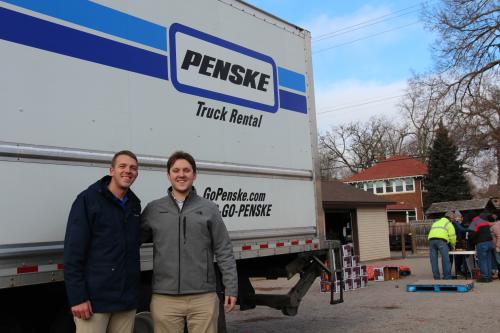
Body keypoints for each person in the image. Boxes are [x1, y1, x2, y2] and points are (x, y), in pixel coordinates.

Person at [141, 151, 237, 333]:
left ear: (194, 174)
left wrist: (231, 288)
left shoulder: (209, 209)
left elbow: (224, 249)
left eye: (186, 170)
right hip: (165, 298)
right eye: (176, 170)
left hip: (203, 298)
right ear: (168, 175)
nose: (181, 174)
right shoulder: (154, 209)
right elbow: (129, 243)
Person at [64, 151, 141, 332]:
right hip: (94, 302)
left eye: (133, 168)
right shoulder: (88, 200)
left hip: (126, 301)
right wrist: (78, 297)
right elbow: (73, 253)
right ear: (111, 170)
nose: (128, 171)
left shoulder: (134, 205)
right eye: (122, 166)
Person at [428, 211, 456, 280]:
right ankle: (447, 277)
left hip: (431, 241)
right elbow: (452, 236)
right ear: (450, 218)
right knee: (445, 259)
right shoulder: (448, 223)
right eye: (453, 218)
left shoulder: (436, 222)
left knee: (433, 260)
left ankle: (436, 277)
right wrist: (453, 245)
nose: (453, 220)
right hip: (441, 241)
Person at [468, 213, 494, 282]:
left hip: (482, 243)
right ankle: (489, 277)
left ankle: (484, 277)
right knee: (488, 260)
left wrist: (471, 243)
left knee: (482, 261)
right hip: (490, 243)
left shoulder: (474, 222)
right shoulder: (484, 221)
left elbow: (471, 235)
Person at [450, 210, 468, 276]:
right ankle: (458, 271)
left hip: (462, 241)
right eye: (458, 217)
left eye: (460, 217)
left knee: (462, 257)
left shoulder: (462, 223)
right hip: (456, 242)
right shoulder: (454, 224)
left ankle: (462, 270)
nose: (459, 218)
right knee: (458, 258)